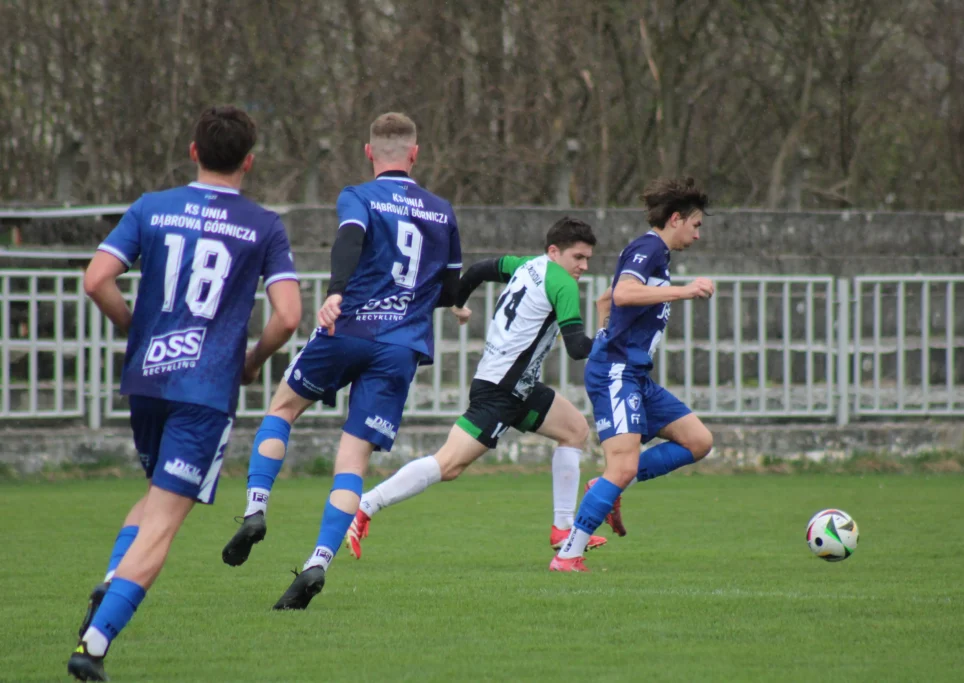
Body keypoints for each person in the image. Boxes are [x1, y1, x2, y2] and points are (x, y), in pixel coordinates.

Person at [67, 106, 302, 681]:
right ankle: (94, 645)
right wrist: (252, 362)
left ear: (194, 151)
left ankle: (111, 582)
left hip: (148, 381)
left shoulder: (151, 206)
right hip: (205, 388)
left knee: (156, 498)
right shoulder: (263, 225)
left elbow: (96, 280)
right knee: (166, 522)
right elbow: (288, 317)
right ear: (249, 161)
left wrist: (136, 330)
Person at [220, 112, 462, 610]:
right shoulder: (442, 212)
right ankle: (318, 561)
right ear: (415, 154)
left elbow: (349, 239)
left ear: (369, 152)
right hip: (400, 348)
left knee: (283, 407)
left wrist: (335, 292)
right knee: (352, 462)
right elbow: (449, 287)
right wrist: (453, 301)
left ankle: (256, 508)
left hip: (349, 328)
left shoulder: (359, 195)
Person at [346, 217, 611, 559]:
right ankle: (365, 505)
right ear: (554, 251)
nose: (584, 266)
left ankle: (563, 528)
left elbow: (478, 271)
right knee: (448, 465)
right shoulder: (562, 283)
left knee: (575, 430)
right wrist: (611, 335)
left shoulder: (526, 265)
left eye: (587, 259)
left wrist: (458, 302)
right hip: (501, 390)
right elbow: (577, 348)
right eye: (578, 257)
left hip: (515, 385)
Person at [550, 177, 716, 573]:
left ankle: (606, 486)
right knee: (622, 466)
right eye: (695, 225)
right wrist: (686, 290)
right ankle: (568, 555)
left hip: (635, 372)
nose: (697, 235)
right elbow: (624, 293)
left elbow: (608, 298)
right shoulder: (649, 247)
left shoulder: (656, 255)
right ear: (676, 219)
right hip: (617, 372)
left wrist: (606, 328)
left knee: (698, 441)